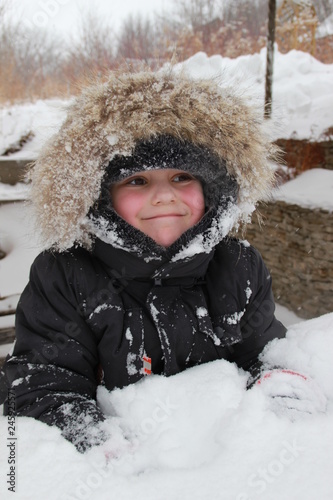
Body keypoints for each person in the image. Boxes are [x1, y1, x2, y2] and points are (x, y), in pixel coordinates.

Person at [3, 69, 323, 453]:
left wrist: (283, 400)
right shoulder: (67, 276)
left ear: (211, 189)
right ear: (101, 196)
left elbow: (265, 353)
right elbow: (44, 384)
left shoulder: (237, 266)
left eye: (182, 177)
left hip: (227, 464)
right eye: (137, 181)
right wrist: (99, 449)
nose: (164, 197)